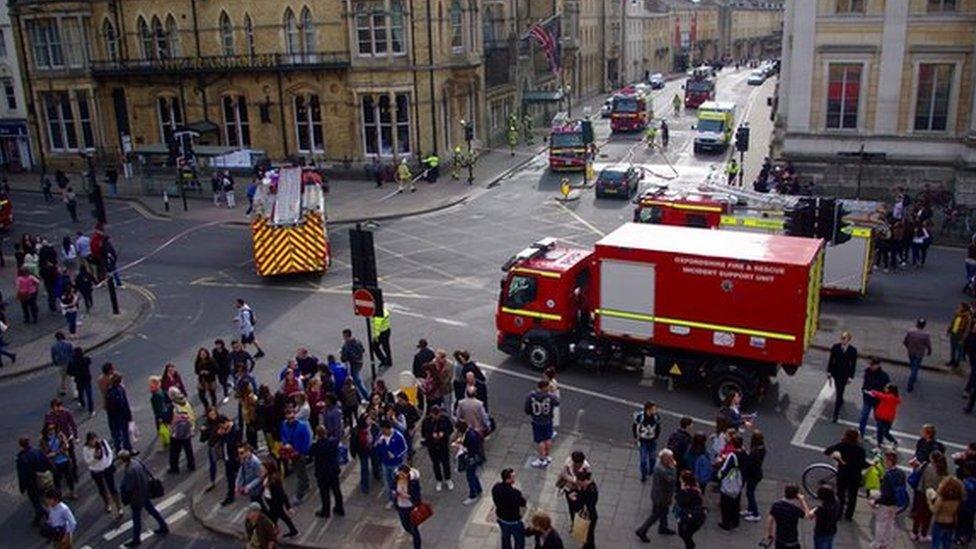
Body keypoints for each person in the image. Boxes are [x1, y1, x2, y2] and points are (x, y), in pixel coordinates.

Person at [118, 450, 169, 547]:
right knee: (151, 510)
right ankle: (163, 526)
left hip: (137, 497)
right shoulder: (137, 461)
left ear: (122, 460)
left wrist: (124, 492)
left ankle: (136, 539)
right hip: (145, 491)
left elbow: (129, 487)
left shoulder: (129, 471)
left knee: (136, 518)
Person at [824, 428, 867, 521]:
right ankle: (849, 515)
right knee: (853, 496)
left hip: (843, 474)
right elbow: (863, 464)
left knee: (841, 494)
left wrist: (837, 458)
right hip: (855, 475)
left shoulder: (842, 445)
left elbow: (827, 451)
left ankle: (838, 514)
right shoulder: (860, 449)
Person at [635, 448, 677, 542]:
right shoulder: (662, 470)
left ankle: (663, 527)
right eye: (670, 458)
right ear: (664, 459)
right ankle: (642, 530)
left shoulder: (660, 465)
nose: (672, 460)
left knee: (664, 512)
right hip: (661, 497)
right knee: (655, 515)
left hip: (659, 495)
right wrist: (674, 468)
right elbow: (671, 480)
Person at [871, 450, 907, 549]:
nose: (885, 463)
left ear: (890, 461)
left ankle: (878, 543)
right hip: (896, 503)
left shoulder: (887, 475)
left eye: (886, 460)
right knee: (890, 523)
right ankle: (888, 543)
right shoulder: (901, 473)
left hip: (886, 504)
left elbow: (885, 495)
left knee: (881, 524)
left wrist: (875, 501)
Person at [16, 436, 54, 526]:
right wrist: (52, 471)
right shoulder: (37, 451)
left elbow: (22, 475)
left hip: (32, 483)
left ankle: (45, 515)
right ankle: (41, 517)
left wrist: (22, 487)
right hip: (44, 479)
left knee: (36, 501)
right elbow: (47, 462)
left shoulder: (22, 458)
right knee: (45, 496)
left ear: (21, 446)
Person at [912, 451, 949, 541]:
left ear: (932, 458)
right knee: (928, 516)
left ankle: (914, 533)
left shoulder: (927, 466)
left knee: (919, 514)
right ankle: (923, 534)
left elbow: (919, 475)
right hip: (934, 495)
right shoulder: (943, 470)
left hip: (923, 493)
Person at [309, 425, 345, 518]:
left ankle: (326, 511)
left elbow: (310, 453)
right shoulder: (333, 442)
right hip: (333, 470)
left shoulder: (316, 446)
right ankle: (339, 508)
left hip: (322, 472)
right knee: (336, 490)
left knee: (324, 492)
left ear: (317, 435)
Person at [83, 432, 122, 516]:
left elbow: (110, 453)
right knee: (101, 489)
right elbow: (88, 462)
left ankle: (119, 507)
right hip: (96, 471)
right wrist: (95, 458)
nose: (94, 442)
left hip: (106, 468)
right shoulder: (86, 449)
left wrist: (108, 463)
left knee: (112, 488)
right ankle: (107, 504)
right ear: (88, 441)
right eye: (92, 440)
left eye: (95, 439)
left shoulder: (103, 443)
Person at [279, 406, 312, 501]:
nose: (290, 420)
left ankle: (300, 494)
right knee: (298, 470)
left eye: (292, 418)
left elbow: (306, 439)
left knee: (300, 472)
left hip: (300, 452)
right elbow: (283, 435)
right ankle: (306, 483)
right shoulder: (284, 424)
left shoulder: (302, 425)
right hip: (290, 452)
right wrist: (286, 443)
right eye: (288, 418)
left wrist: (302, 451)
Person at [764, 484, 810, 549]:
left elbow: (770, 519)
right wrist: (802, 501)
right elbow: (808, 516)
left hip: (780, 538)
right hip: (792, 539)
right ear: (796, 495)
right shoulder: (795, 509)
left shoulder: (776, 505)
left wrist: (769, 534)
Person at [261, 459, 299, 538]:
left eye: (263, 468)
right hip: (271, 501)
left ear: (269, 469)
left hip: (275, 502)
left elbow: (282, 494)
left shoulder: (274, 480)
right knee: (281, 516)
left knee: (274, 517)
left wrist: (288, 507)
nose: (261, 470)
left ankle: (271, 533)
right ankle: (293, 531)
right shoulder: (267, 476)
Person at [525, 380, 558, 468]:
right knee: (548, 438)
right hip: (548, 420)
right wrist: (553, 392)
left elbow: (527, 410)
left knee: (540, 440)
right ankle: (547, 456)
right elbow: (557, 402)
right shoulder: (550, 396)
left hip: (537, 421)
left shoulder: (531, 395)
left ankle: (541, 459)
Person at [420, 404, 454, 491]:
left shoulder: (445, 419)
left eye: (437, 414)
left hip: (443, 445)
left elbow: (450, 429)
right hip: (432, 446)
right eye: (434, 415)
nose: (436, 417)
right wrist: (431, 435)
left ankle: (448, 479)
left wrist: (444, 434)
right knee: (435, 464)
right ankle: (439, 480)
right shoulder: (426, 421)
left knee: (445, 462)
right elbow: (423, 433)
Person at [376, 418, 408, 508]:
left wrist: (395, 455)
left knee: (400, 483)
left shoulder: (398, 436)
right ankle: (391, 500)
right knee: (387, 483)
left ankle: (401, 501)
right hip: (385, 463)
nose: (382, 432)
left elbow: (405, 448)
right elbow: (377, 449)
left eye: (383, 430)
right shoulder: (380, 437)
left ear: (388, 428)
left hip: (396, 464)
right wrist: (378, 444)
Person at [492, 468, 527, 549]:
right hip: (514, 521)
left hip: (502, 518)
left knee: (505, 538)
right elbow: (523, 503)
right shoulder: (515, 493)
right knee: (519, 541)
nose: (514, 478)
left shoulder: (496, 487)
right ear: (508, 479)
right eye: (513, 477)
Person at [827, 331, 858, 422]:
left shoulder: (853, 350)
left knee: (841, 390)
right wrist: (829, 371)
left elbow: (853, 365)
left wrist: (851, 377)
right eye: (842, 338)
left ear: (849, 340)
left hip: (845, 374)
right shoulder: (835, 347)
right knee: (839, 390)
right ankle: (835, 414)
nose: (842, 340)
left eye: (844, 339)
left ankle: (840, 399)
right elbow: (831, 360)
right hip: (836, 373)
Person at [717, 434, 745, 530]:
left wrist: (720, 477)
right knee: (736, 503)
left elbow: (725, 469)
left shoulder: (732, 456)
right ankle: (735, 521)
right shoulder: (744, 453)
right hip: (739, 481)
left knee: (726, 504)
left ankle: (726, 523)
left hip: (730, 481)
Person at [453, 419, 485, 505]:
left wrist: (461, 446)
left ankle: (473, 495)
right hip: (474, 457)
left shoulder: (470, 436)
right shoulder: (470, 432)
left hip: (472, 459)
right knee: (473, 475)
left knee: (470, 476)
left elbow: (471, 449)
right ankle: (479, 490)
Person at [41, 422, 76, 499]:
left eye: (53, 428)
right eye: (50, 429)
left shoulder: (59, 435)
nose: (52, 430)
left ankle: (72, 492)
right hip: (54, 463)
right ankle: (59, 496)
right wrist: (51, 455)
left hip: (65, 459)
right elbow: (43, 454)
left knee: (69, 477)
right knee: (57, 480)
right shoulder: (43, 440)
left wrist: (58, 451)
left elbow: (66, 445)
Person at [928, 476, 964, 549]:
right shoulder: (957, 499)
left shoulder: (942, 498)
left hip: (940, 521)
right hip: (951, 522)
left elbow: (934, 510)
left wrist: (929, 502)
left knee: (936, 543)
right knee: (947, 543)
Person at [167, 388, 196, 474]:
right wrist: (192, 426)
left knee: (174, 450)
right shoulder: (186, 402)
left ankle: (174, 467)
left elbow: (168, 418)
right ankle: (191, 465)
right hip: (187, 429)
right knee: (188, 448)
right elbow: (191, 414)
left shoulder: (172, 406)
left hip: (177, 431)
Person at [859, 358, 890, 438]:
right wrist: (864, 389)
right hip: (868, 398)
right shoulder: (868, 372)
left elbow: (887, 389)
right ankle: (861, 433)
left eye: (872, 365)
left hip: (877, 400)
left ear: (877, 365)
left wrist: (880, 395)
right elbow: (865, 383)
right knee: (863, 417)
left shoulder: (883, 376)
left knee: (878, 419)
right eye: (870, 365)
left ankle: (879, 434)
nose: (871, 366)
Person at [674, 470, 705, 549]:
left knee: (684, 533)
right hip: (692, 516)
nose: (680, 481)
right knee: (684, 533)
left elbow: (680, 500)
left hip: (690, 517)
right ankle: (690, 545)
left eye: (681, 480)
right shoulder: (695, 489)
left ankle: (690, 546)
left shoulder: (688, 492)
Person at [394, 464, 423, 549]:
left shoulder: (413, 482)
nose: (401, 476)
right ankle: (412, 533)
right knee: (405, 526)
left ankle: (417, 545)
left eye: (403, 474)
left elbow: (417, 497)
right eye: (400, 474)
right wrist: (396, 494)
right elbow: (392, 488)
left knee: (414, 529)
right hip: (401, 507)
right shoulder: (396, 479)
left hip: (411, 508)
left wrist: (408, 496)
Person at [632, 401, 662, 483]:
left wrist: (656, 437)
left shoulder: (656, 417)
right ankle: (644, 474)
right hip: (643, 441)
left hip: (652, 440)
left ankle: (651, 470)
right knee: (643, 460)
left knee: (653, 458)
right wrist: (635, 437)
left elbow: (658, 427)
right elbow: (634, 426)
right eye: (653, 409)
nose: (655, 410)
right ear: (648, 410)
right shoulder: (640, 416)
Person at [569, 470, 598, 549]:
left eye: (579, 482)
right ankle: (587, 545)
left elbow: (583, 505)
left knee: (589, 534)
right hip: (589, 514)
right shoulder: (587, 486)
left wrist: (574, 499)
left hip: (589, 516)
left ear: (585, 480)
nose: (578, 484)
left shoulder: (591, 491)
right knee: (588, 534)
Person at [105, 373, 133, 452]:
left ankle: (122, 449)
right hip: (118, 416)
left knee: (121, 433)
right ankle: (123, 448)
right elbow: (124, 403)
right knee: (121, 433)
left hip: (117, 416)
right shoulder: (113, 392)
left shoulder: (115, 390)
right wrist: (128, 415)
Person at [742, 430, 767, 521]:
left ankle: (755, 514)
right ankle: (750, 509)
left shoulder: (755, 451)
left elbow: (750, 462)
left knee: (750, 493)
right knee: (749, 492)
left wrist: (746, 454)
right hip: (756, 474)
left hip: (753, 475)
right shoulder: (761, 449)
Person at [867, 383, 901, 448]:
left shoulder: (890, 397)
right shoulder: (894, 398)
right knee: (882, 431)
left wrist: (873, 392)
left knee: (883, 432)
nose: (885, 389)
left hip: (884, 417)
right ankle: (880, 444)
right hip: (887, 418)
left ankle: (890, 442)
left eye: (886, 388)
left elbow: (881, 396)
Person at [903, 318, 932, 392]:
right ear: (924, 325)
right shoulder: (926, 335)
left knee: (912, 364)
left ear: (917, 324)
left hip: (911, 352)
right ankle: (911, 381)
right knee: (915, 368)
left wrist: (908, 347)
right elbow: (928, 345)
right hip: (919, 354)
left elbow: (905, 341)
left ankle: (913, 376)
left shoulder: (910, 332)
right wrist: (929, 351)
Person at [340, 328, 369, 400]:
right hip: (360, 362)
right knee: (358, 377)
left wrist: (342, 353)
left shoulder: (346, 346)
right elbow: (363, 350)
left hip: (353, 365)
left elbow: (344, 359)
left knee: (358, 381)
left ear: (346, 336)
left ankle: (366, 396)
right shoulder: (358, 341)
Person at [810, 485, 841, 549]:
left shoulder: (822, 509)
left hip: (821, 532)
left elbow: (810, 515)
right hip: (832, 530)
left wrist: (815, 508)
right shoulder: (836, 503)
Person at [68, 347, 94, 417]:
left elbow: (69, 372)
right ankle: (91, 410)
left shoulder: (73, 362)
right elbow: (89, 361)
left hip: (79, 379)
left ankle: (82, 403)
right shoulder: (86, 359)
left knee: (80, 392)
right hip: (87, 378)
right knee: (89, 395)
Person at [948, 303, 972, 368]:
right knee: (952, 348)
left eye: (960, 307)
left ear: (964, 308)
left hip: (960, 334)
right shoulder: (957, 314)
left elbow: (967, 328)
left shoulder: (967, 317)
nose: (958, 307)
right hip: (954, 332)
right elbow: (952, 322)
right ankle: (952, 360)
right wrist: (949, 330)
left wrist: (964, 337)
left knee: (958, 349)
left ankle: (957, 362)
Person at [50, 332, 74, 397]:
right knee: (71, 378)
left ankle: (62, 390)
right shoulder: (68, 344)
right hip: (69, 362)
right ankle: (75, 393)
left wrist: (55, 362)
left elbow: (53, 356)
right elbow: (72, 353)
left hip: (60, 363)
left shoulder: (54, 346)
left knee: (62, 378)